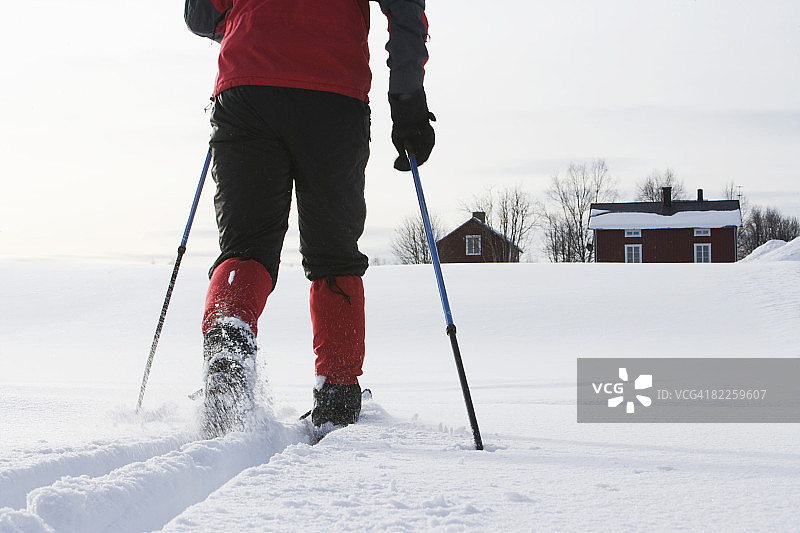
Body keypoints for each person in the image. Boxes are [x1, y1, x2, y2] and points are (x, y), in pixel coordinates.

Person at [195, 0, 436, 436]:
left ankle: (229, 335)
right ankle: (338, 393)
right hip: (333, 93)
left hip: (248, 85)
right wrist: (407, 98)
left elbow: (201, 14)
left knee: (246, 245)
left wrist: (242, 27)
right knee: (333, 252)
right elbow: (405, 12)